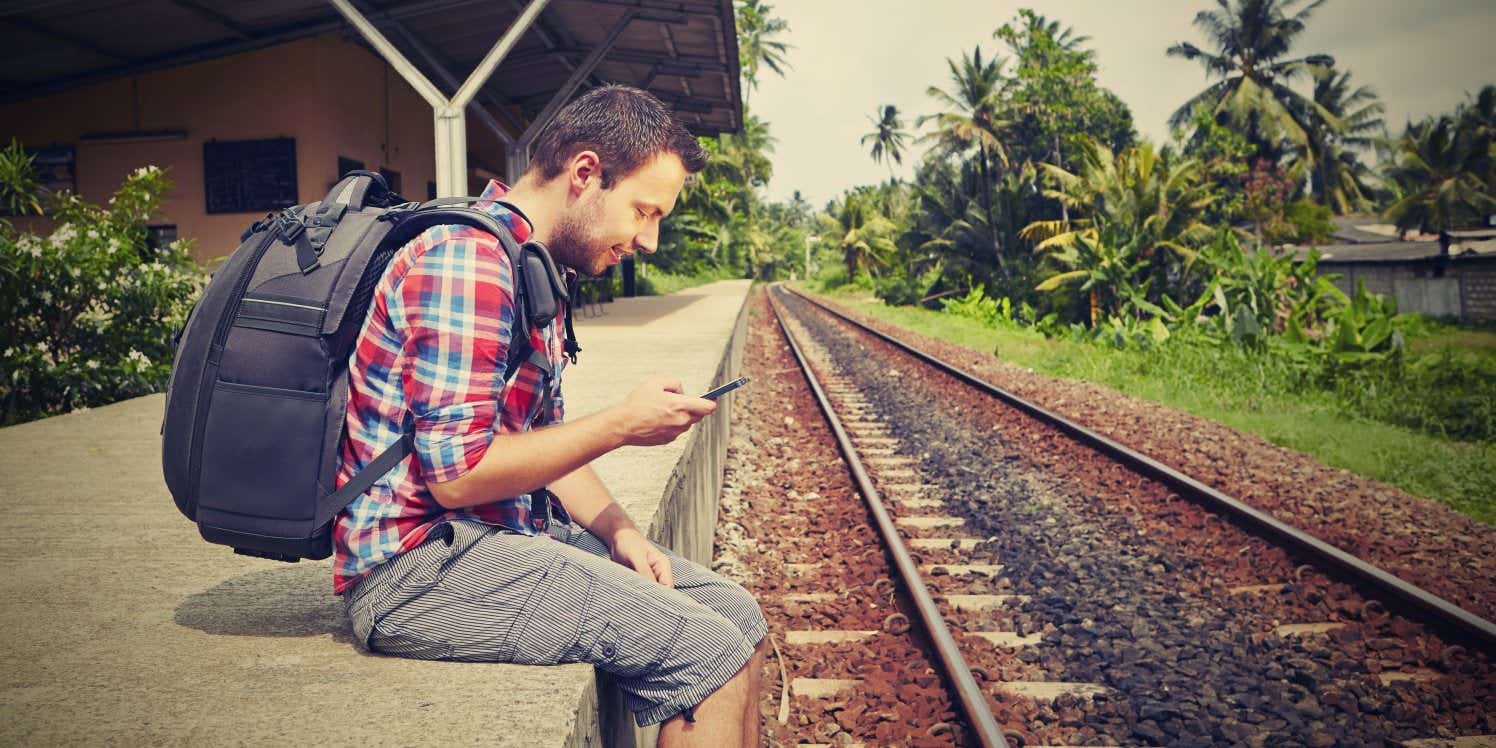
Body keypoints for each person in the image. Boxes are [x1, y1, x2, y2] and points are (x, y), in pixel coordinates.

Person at [333, 85, 767, 747]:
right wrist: (623, 423)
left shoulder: (529, 262)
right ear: (585, 173)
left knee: (738, 616)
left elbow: (533, 441)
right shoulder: (469, 262)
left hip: (497, 535)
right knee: (708, 651)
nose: (648, 240)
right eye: (642, 212)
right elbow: (456, 476)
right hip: (414, 569)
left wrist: (622, 531)